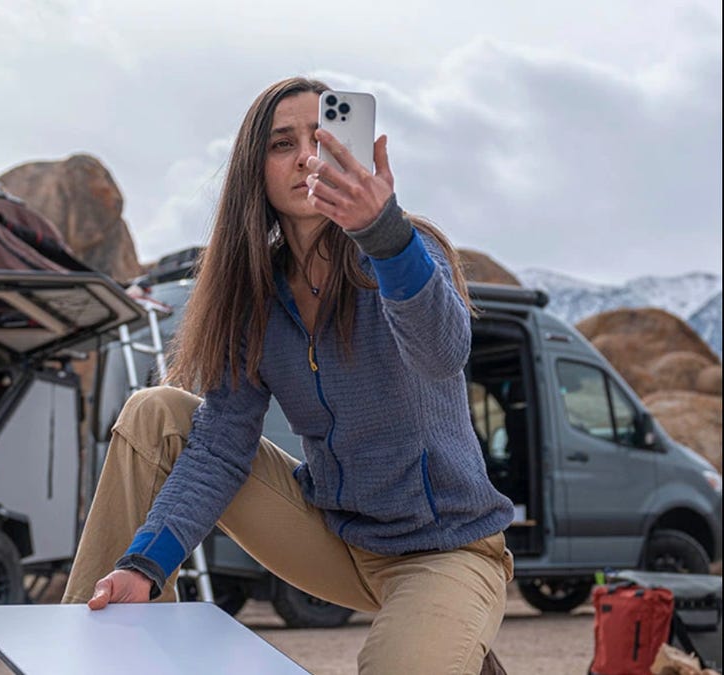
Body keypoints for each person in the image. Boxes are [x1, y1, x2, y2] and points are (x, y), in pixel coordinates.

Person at [62, 77, 516, 674]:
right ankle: (98, 648)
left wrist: (382, 233)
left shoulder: (407, 249)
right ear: (257, 172)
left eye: (321, 137)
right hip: (333, 537)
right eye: (282, 144)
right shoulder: (254, 294)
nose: (307, 156)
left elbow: (442, 354)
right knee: (157, 415)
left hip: (443, 550)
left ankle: (442, 638)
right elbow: (220, 446)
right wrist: (145, 563)